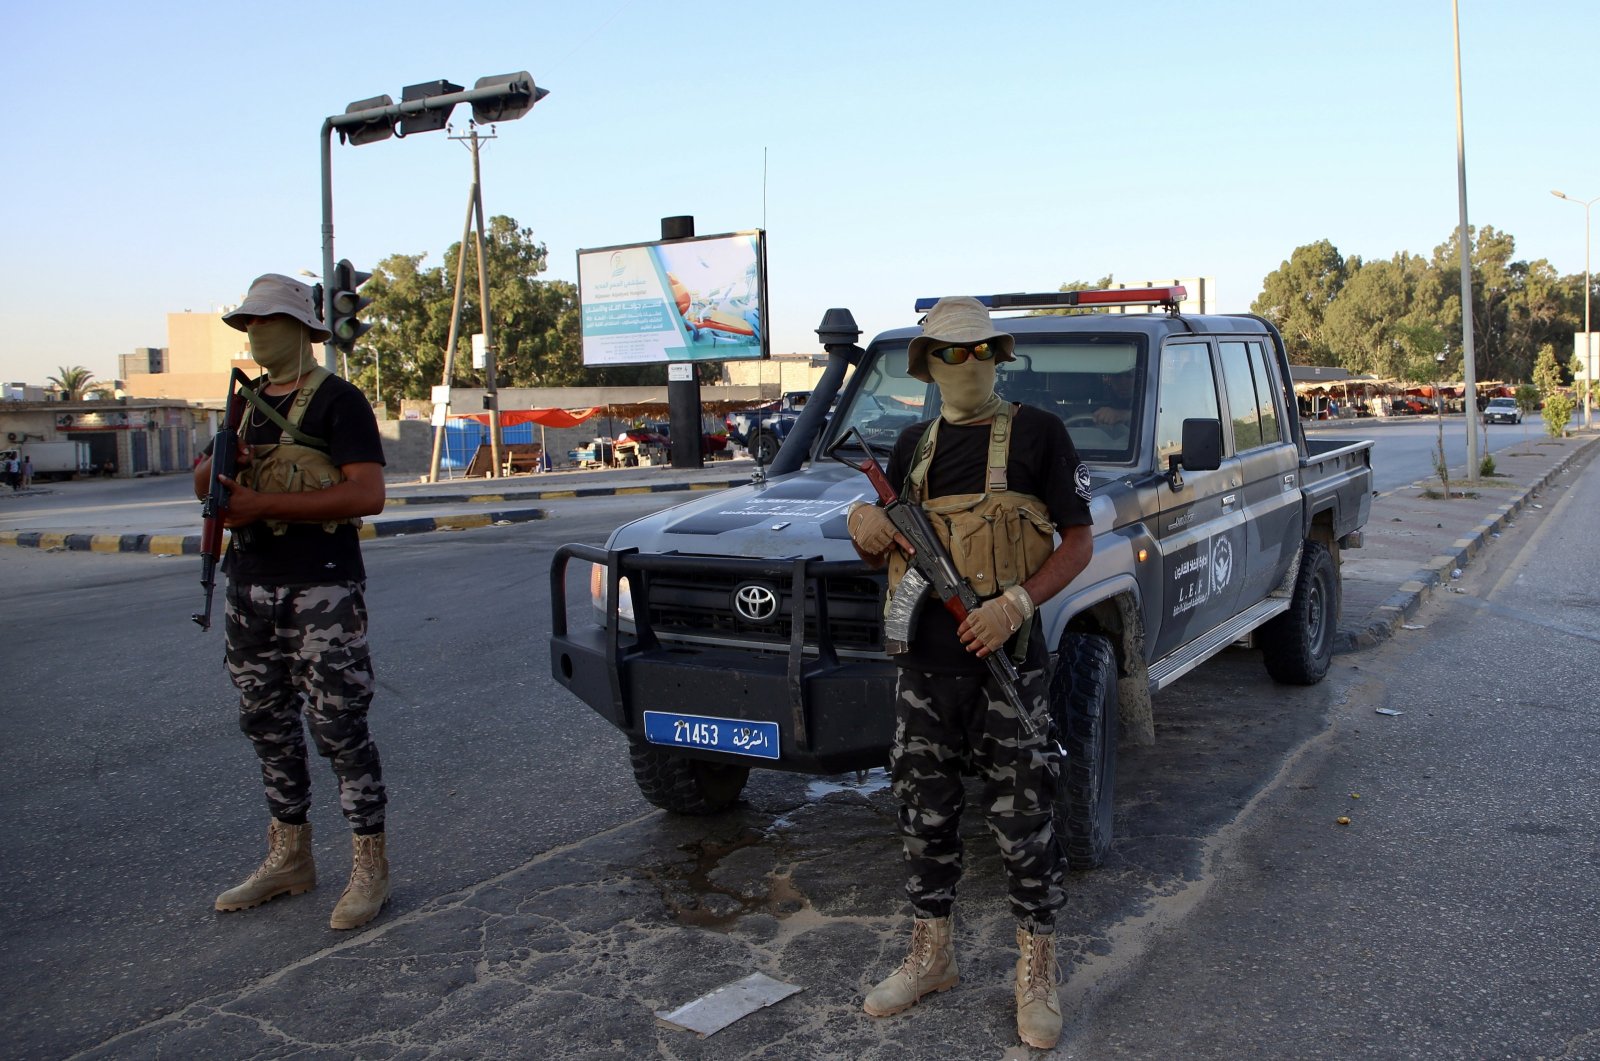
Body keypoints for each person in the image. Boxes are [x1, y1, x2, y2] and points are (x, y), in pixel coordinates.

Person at [846, 296, 1095, 1049]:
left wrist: (1014, 604)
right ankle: (933, 956)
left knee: (1024, 824)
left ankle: (1037, 971)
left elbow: (1079, 541)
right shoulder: (911, 447)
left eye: (979, 351)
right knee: (925, 815)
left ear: (998, 357)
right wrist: (864, 526)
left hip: (1009, 670)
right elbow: (888, 549)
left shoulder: (1040, 434)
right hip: (923, 671)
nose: (966, 365)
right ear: (928, 367)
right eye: (950, 355)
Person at [193, 273, 391, 931]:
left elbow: (366, 494)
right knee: (266, 721)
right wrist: (222, 464)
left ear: (300, 329)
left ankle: (369, 864)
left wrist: (262, 502)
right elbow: (205, 482)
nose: (253, 332)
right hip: (249, 583)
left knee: (338, 725)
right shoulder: (242, 403)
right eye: (247, 322)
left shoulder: (340, 401)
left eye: (265, 321)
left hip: (323, 586)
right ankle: (289, 855)